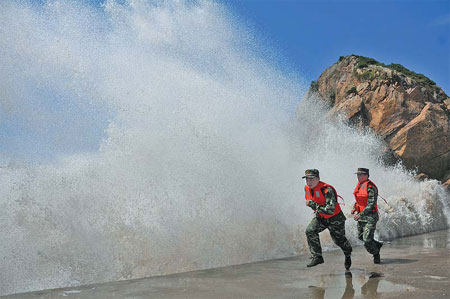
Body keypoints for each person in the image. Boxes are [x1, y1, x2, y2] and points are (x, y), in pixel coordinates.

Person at [303, 169, 352, 269]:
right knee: (310, 231)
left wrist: (313, 205)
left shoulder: (327, 190)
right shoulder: (307, 188)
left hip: (335, 218)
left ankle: (347, 254)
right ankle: (317, 256)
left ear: (318, 179)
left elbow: (330, 210)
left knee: (339, 241)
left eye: (312, 179)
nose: (309, 182)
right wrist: (314, 207)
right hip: (321, 217)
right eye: (307, 179)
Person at [352, 167, 383, 264]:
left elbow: (371, 204)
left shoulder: (371, 187)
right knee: (361, 237)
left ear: (366, 176)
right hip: (361, 216)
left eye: (360, 175)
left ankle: (376, 253)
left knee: (367, 239)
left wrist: (360, 214)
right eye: (357, 175)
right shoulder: (360, 185)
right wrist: (355, 208)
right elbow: (359, 200)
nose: (358, 176)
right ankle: (377, 244)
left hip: (370, 217)